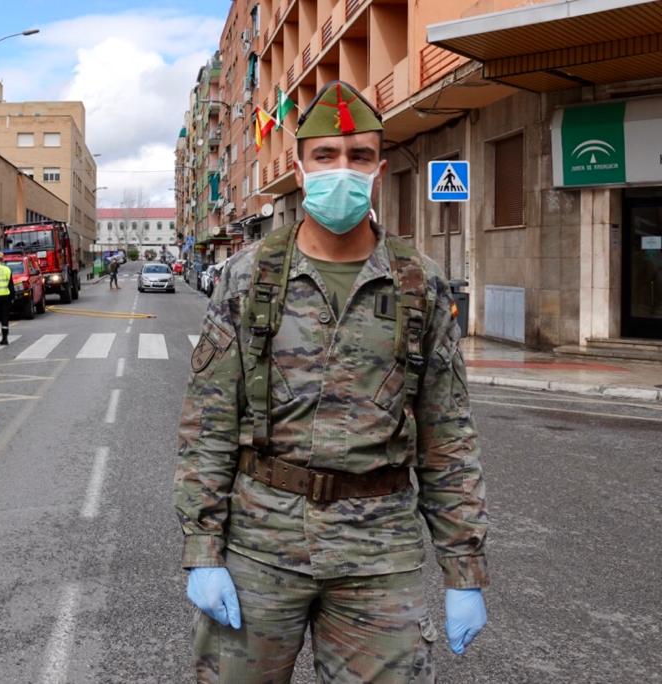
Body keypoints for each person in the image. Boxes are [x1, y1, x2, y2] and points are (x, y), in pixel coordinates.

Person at [173, 80, 488, 684]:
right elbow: (207, 424)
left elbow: (449, 438)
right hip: (261, 543)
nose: (342, 170)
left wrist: (463, 569)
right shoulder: (247, 278)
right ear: (298, 166)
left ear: (378, 167)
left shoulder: (419, 283)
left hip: (380, 551)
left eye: (358, 156)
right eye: (325, 156)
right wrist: (202, 551)